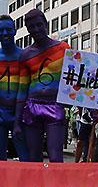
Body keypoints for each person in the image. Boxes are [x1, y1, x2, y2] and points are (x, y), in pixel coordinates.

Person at [14, 9, 71, 163]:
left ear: (46, 24)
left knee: (55, 155)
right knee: (33, 157)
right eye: (32, 27)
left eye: (39, 25)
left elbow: (73, 81)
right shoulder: (25, 55)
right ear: (27, 29)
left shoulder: (63, 49)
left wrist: (72, 102)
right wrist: (17, 122)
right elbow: (22, 89)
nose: (36, 29)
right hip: (32, 107)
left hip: (54, 105)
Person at [0, 15, 28, 161]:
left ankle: (27, 184)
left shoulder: (24, 56)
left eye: (8, 29)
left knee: (24, 156)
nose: (5, 33)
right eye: (1, 30)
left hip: (19, 112)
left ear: (15, 30)